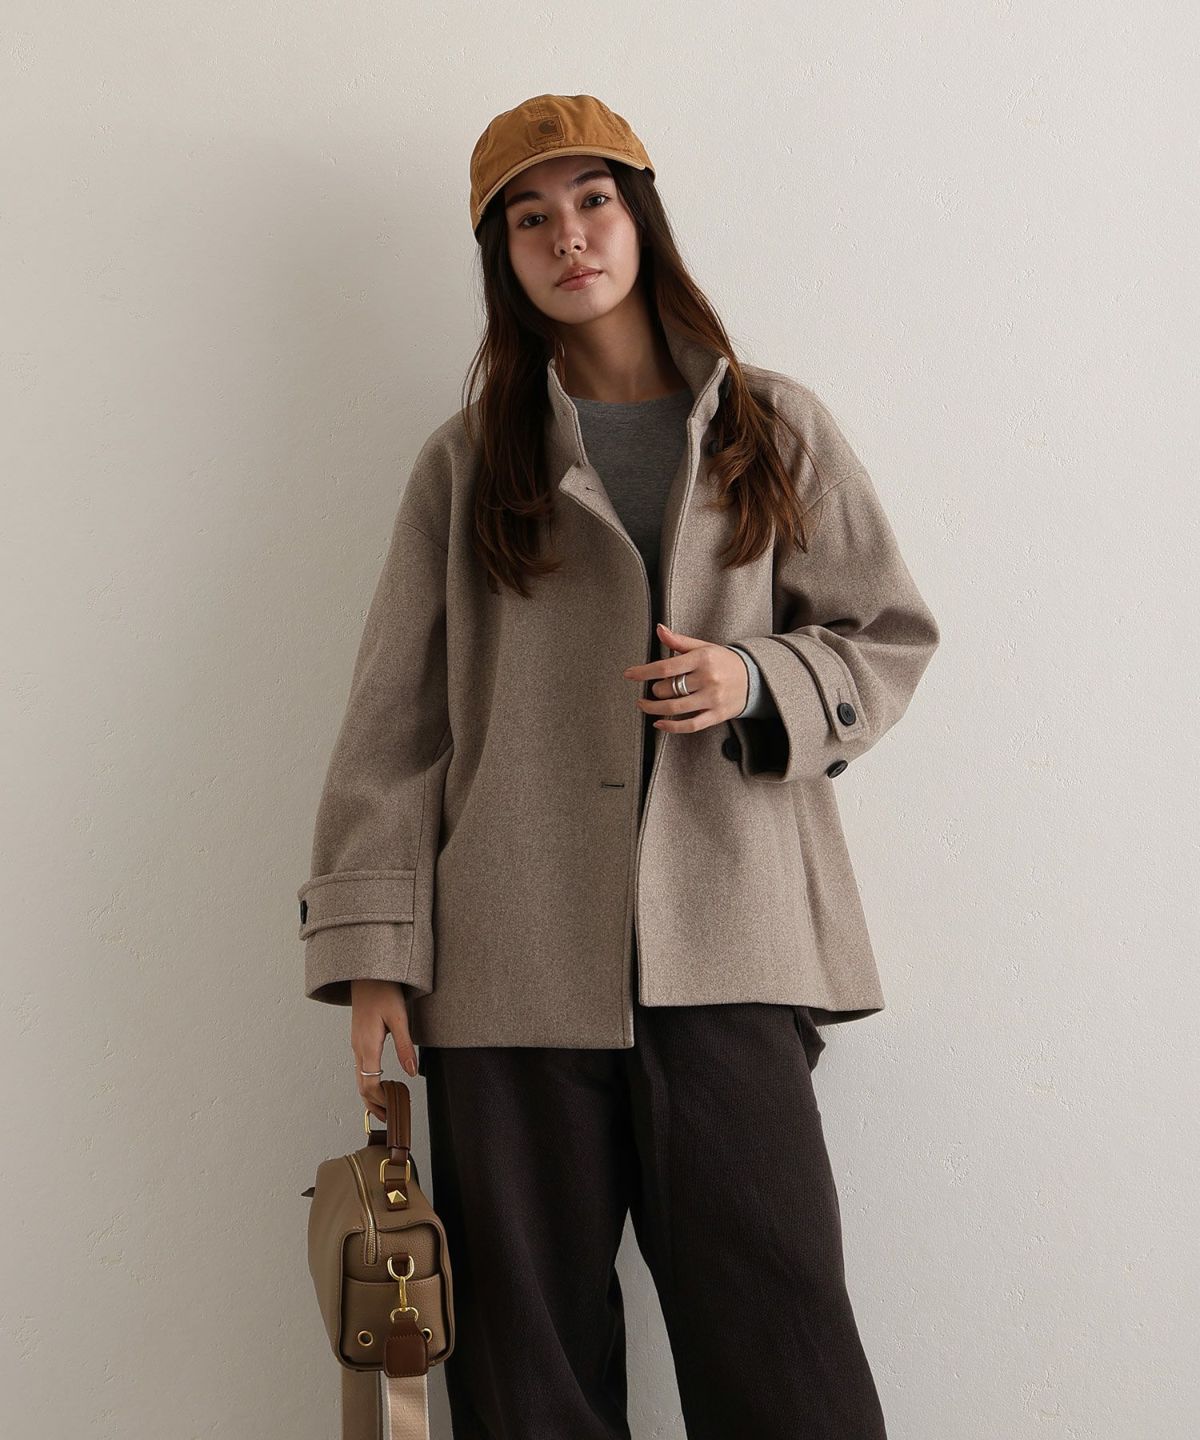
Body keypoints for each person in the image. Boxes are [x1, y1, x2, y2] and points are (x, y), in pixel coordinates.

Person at [297, 93, 940, 1440]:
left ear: (641, 217)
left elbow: (886, 634)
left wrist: (755, 678)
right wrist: (373, 955)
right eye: (530, 218)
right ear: (503, 258)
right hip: (509, 969)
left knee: (786, 1357)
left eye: (592, 201)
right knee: (527, 1375)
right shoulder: (470, 464)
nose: (568, 236)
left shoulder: (775, 426)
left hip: (734, 952)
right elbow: (395, 724)